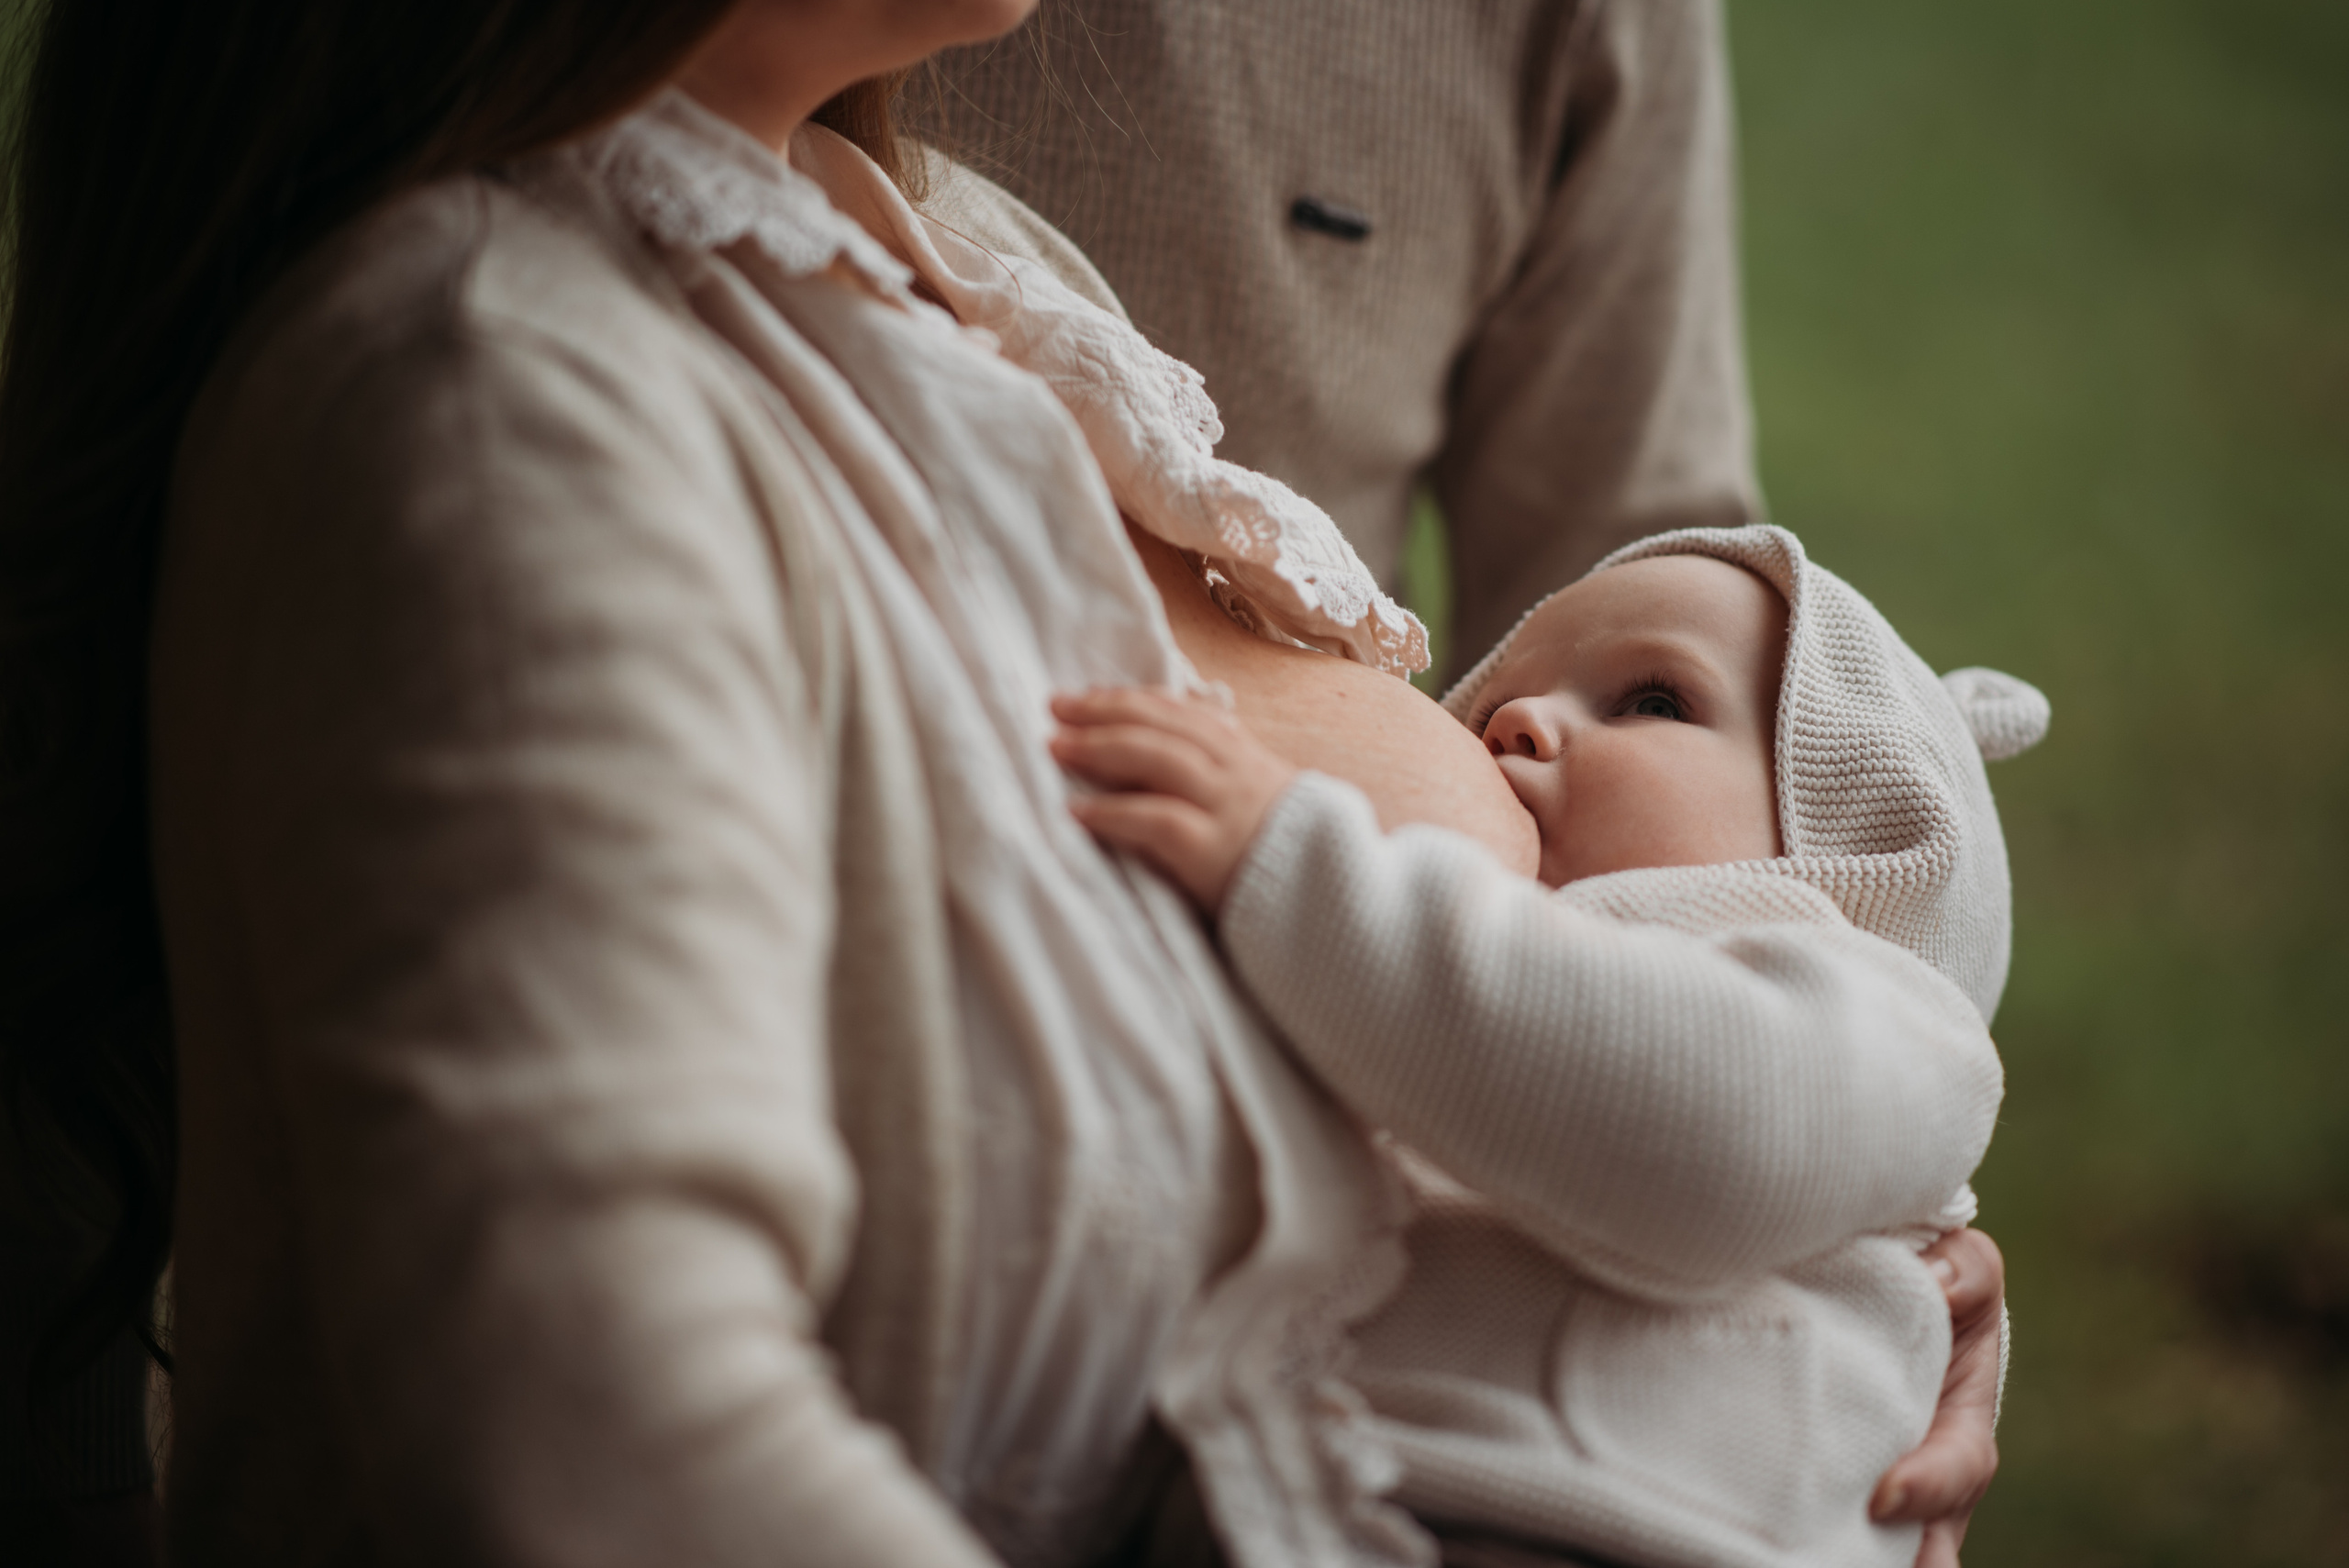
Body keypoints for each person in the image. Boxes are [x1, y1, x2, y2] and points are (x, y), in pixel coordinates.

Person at [0, 6, 1998, 1568]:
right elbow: (603, 1431)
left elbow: (1748, 731)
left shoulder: (954, 257)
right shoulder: (499, 393)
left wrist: (1819, 1252)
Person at [1050, 525, 2049, 1568]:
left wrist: (1295, 867)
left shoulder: (1885, 1011)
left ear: (1853, 853)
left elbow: (1712, 1132)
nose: (1515, 719)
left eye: (1653, 700)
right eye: (1482, 707)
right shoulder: (1413, 1011)